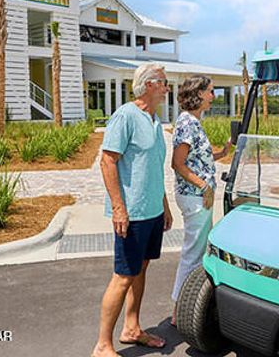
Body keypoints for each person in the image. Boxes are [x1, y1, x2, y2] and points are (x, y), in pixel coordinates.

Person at [91, 63, 173, 357]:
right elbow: (107, 161)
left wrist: (163, 205)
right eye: (163, 82)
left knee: (141, 269)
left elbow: (152, 168)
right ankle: (102, 345)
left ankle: (132, 328)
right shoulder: (125, 116)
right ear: (149, 84)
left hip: (151, 211)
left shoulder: (154, 119)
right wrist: (118, 208)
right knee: (123, 275)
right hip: (132, 214)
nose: (167, 88)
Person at [170, 75, 231, 326]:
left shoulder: (194, 122)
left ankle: (185, 305)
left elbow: (198, 160)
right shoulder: (187, 123)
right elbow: (178, 163)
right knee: (193, 254)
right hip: (195, 197)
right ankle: (178, 311)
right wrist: (204, 185)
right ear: (198, 93)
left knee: (197, 250)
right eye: (210, 91)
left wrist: (223, 153)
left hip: (198, 196)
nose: (213, 96)